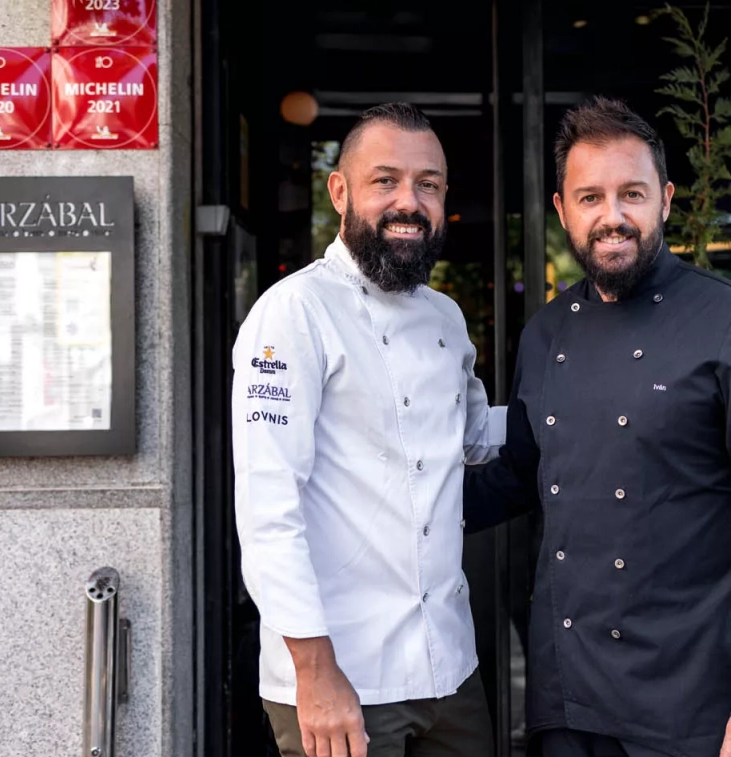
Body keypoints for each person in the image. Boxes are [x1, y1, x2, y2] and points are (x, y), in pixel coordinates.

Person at [464, 96, 731, 757]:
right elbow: (518, 474)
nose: (612, 216)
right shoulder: (544, 334)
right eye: (591, 197)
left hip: (687, 701)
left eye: (632, 193)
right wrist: (398, 500)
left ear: (666, 199)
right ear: (563, 209)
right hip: (565, 699)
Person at [231, 102, 503, 757]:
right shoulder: (294, 312)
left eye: (428, 184)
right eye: (386, 181)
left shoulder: (445, 317)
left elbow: (473, 439)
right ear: (341, 190)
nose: (408, 201)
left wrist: (583, 411)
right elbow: (269, 506)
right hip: (339, 670)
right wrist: (314, 672)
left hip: (449, 664)